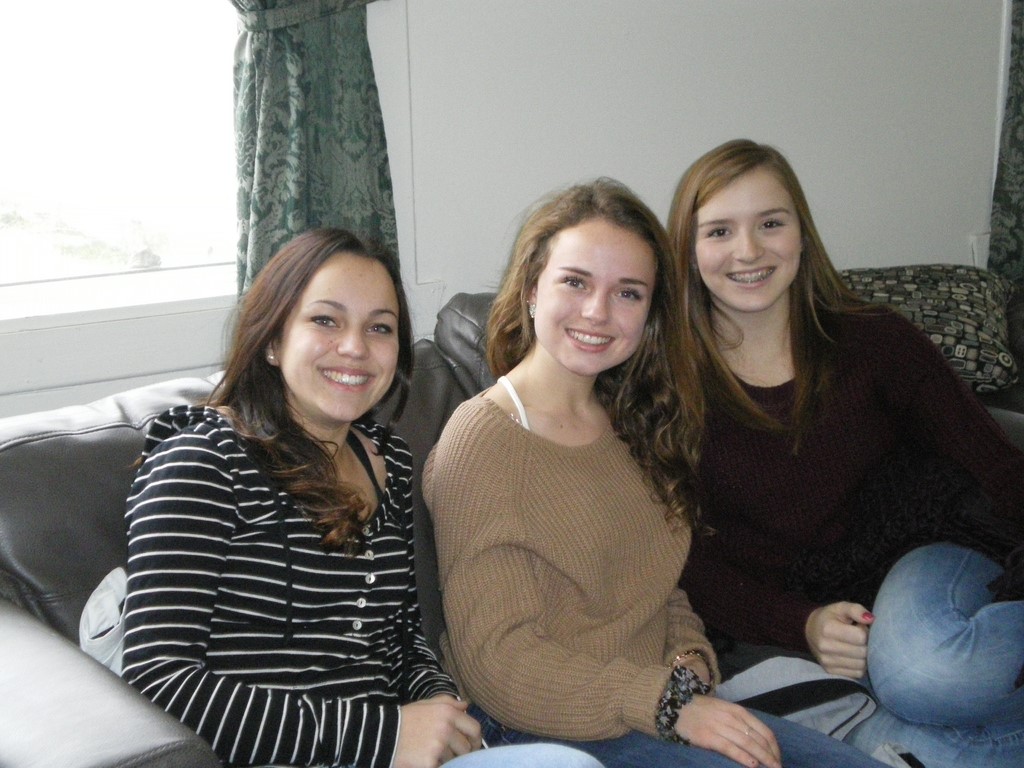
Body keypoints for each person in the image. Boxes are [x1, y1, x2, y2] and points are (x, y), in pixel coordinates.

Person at [424, 179, 887, 768]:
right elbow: (498, 659)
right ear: (532, 288)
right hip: (542, 723)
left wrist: (689, 664)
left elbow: (661, 590)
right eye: (575, 282)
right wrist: (666, 704)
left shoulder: (634, 422)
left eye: (628, 292)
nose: (598, 311)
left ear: (649, 314)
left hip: (654, 706)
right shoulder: (483, 442)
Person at [121, 228, 603, 768]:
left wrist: (441, 703)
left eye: (379, 327)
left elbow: (400, 637)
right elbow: (156, 680)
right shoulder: (204, 461)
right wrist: (386, 735)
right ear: (273, 340)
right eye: (325, 320)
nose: (355, 347)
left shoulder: (387, 459)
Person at [667, 138, 1024, 768]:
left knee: (919, 674)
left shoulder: (876, 342)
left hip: (928, 561)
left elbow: (995, 464)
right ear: (688, 251)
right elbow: (680, 560)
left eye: (770, 223)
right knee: (908, 750)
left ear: (802, 234)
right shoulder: (666, 388)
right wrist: (801, 622)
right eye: (719, 231)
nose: (748, 251)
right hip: (803, 622)